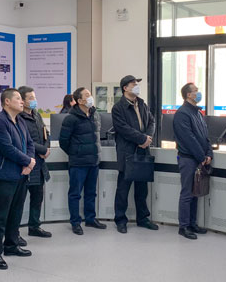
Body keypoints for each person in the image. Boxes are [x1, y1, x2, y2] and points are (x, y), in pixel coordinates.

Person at [0, 89, 35, 270]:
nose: (22, 101)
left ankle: (11, 245)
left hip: (21, 174)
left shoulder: (20, 120)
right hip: (5, 176)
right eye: (18, 98)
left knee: (15, 213)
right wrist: (27, 161)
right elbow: (7, 148)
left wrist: (29, 162)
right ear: (7, 101)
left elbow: (29, 143)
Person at [111, 75, 158, 234]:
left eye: (137, 84)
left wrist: (147, 138)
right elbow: (123, 129)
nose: (137, 86)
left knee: (142, 189)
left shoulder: (142, 104)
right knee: (123, 189)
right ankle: (120, 220)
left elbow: (152, 122)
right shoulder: (118, 108)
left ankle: (143, 218)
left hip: (143, 151)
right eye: (133, 84)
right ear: (125, 88)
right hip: (127, 153)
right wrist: (141, 139)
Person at [59, 87, 106, 235]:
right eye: (87, 95)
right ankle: (75, 222)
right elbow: (63, 141)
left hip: (94, 161)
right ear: (79, 100)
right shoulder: (71, 118)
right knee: (75, 194)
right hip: (78, 162)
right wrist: (76, 152)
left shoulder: (94, 114)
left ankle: (90, 219)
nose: (91, 97)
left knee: (91, 193)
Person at [173, 83, 213, 240]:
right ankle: (183, 226)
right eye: (196, 91)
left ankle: (192, 224)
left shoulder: (198, 113)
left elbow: (205, 136)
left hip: (198, 159)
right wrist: (202, 157)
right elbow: (189, 139)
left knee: (195, 192)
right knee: (187, 193)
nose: (198, 93)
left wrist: (209, 153)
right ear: (188, 95)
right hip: (188, 159)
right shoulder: (182, 114)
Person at [18, 86, 52, 238]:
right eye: (30, 98)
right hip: (26, 164)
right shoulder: (19, 118)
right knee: (19, 201)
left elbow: (46, 133)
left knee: (37, 197)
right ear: (22, 101)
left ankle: (34, 226)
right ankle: (14, 233)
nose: (34, 100)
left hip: (40, 165)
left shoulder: (36, 115)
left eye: (34, 97)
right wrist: (42, 150)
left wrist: (47, 147)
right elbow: (25, 140)